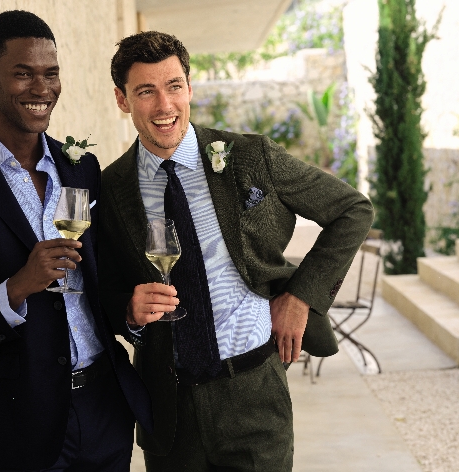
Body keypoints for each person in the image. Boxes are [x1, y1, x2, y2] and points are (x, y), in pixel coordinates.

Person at [99, 31, 374, 472]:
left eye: (173, 86)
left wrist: (302, 296)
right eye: (145, 91)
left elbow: (352, 210)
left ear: (189, 87)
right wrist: (128, 310)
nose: (164, 106)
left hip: (254, 394)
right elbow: (102, 288)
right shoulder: (112, 188)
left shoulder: (249, 157)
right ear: (122, 99)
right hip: (170, 407)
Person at [0, 11, 152, 471]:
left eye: (51, 74)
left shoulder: (79, 168)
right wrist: (19, 285)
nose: (42, 89)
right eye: (23, 74)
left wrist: (131, 313)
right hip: (19, 426)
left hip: (105, 407)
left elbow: (103, 281)